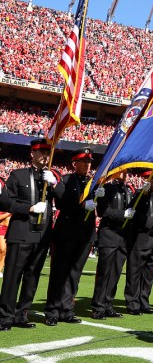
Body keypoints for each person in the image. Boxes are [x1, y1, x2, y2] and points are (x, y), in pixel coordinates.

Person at [0, 138, 57, 331]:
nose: (44, 156)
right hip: (21, 233)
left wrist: (56, 184)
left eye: (47, 152)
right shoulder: (18, 175)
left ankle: (21, 314)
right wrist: (30, 207)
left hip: (41, 237)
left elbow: (66, 201)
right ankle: (5, 316)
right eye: (40, 152)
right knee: (12, 276)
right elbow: (5, 202)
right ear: (31, 154)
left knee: (32, 277)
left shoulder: (51, 178)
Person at [44, 148, 97, 325]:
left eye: (88, 162)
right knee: (59, 273)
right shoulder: (65, 180)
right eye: (83, 161)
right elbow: (62, 203)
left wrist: (100, 197)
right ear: (74, 163)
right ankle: (52, 310)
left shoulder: (93, 183)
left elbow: (102, 207)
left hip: (84, 235)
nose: (86, 165)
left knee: (74, 274)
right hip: (66, 234)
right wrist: (82, 206)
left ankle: (67, 309)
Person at [91, 170, 135, 319]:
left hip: (123, 237)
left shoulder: (129, 190)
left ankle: (108, 304)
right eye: (122, 171)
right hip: (109, 234)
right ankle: (98, 306)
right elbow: (102, 211)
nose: (124, 174)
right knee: (104, 273)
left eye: (126, 172)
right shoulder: (108, 188)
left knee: (115, 273)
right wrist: (122, 214)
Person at [124, 174, 153, 315]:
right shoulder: (138, 195)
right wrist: (143, 194)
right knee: (134, 273)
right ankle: (132, 303)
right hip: (140, 240)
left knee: (149, 275)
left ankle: (143, 302)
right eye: (150, 179)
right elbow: (133, 212)